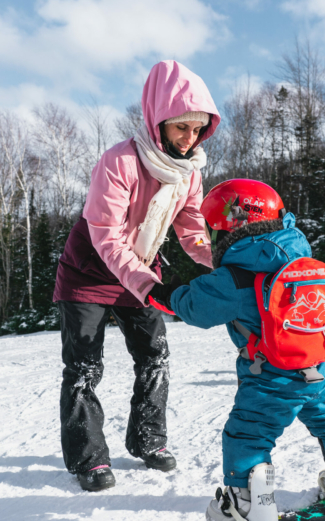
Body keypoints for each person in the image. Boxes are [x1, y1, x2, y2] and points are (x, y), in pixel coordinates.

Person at [170, 179, 325, 521]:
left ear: (223, 229)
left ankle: (249, 510)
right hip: (322, 369)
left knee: (248, 434)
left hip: (271, 378)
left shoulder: (235, 275)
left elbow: (191, 308)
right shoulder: (304, 258)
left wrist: (157, 289)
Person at [53, 60, 220, 491]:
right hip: (89, 271)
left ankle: (148, 440)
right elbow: (107, 237)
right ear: (159, 120)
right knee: (85, 366)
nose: (190, 138)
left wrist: (218, 264)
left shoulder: (189, 173)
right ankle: (87, 458)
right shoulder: (121, 161)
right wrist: (148, 284)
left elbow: (191, 227)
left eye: (198, 129)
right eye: (182, 127)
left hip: (141, 267)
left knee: (154, 355)